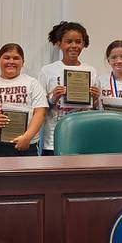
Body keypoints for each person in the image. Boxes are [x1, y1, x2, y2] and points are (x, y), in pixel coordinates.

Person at [37, 21, 100, 156]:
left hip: (83, 136)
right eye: (68, 41)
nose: (74, 46)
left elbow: (95, 109)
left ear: (84, 44)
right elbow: (39, 107)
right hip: (54, 138)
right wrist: (53, 98)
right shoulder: (47, 70)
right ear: (59, 43)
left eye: (78, 42)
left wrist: (95, 99)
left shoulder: (91, 71)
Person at [0, 43, 47, 157]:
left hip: (26, 143)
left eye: (16, 58)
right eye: (6, 58)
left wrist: (27, 137)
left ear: (23, 62)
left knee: (26, 175)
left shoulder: (32, 83)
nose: (11, 61)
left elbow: (40, 112)